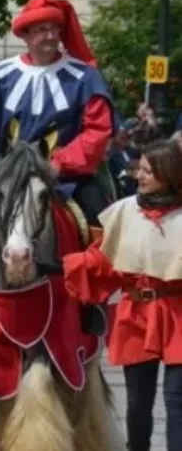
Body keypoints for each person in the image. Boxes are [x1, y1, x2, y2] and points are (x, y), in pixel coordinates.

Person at [0, 0, 116, 227]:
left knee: (105, 224)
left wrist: (59, 164)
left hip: (65, 177)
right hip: (3, 173)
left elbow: (97, 131)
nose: (50, 36)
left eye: (54, 29)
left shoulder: (85, 77)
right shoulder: (1, 75)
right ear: (25, 34)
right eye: (42, 30)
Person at [64, 140, 182, 451]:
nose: (138, 176)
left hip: (178, 314)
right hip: (137, 313)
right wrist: (60, 265)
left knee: (178, 400)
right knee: (138, 403)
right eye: (138, 169)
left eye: (146, 170)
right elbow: (102, 259)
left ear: (168, 174)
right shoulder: (126, 211)